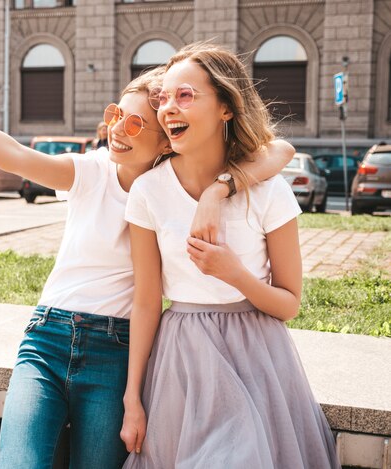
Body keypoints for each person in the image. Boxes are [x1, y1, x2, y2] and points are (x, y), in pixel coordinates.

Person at [0, 69, 294, 469]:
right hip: (46, 339)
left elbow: (279, 149)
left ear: (167, 140)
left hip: (116, 349)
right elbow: (10, 152)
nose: (116, 131)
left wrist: (221, 189)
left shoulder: (169, 190)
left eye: (135, 124)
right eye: (115, 116)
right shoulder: (90, 172)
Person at [120, 43, 340, 468]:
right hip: (182, 363)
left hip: (257, 357)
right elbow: (146, 302)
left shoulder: (269, 190)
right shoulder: (149, 191)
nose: (168, 108)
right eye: (163, 98)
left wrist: (234, 273)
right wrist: (134, 399)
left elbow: (289, 303)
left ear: (225, 107)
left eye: (185, 95)